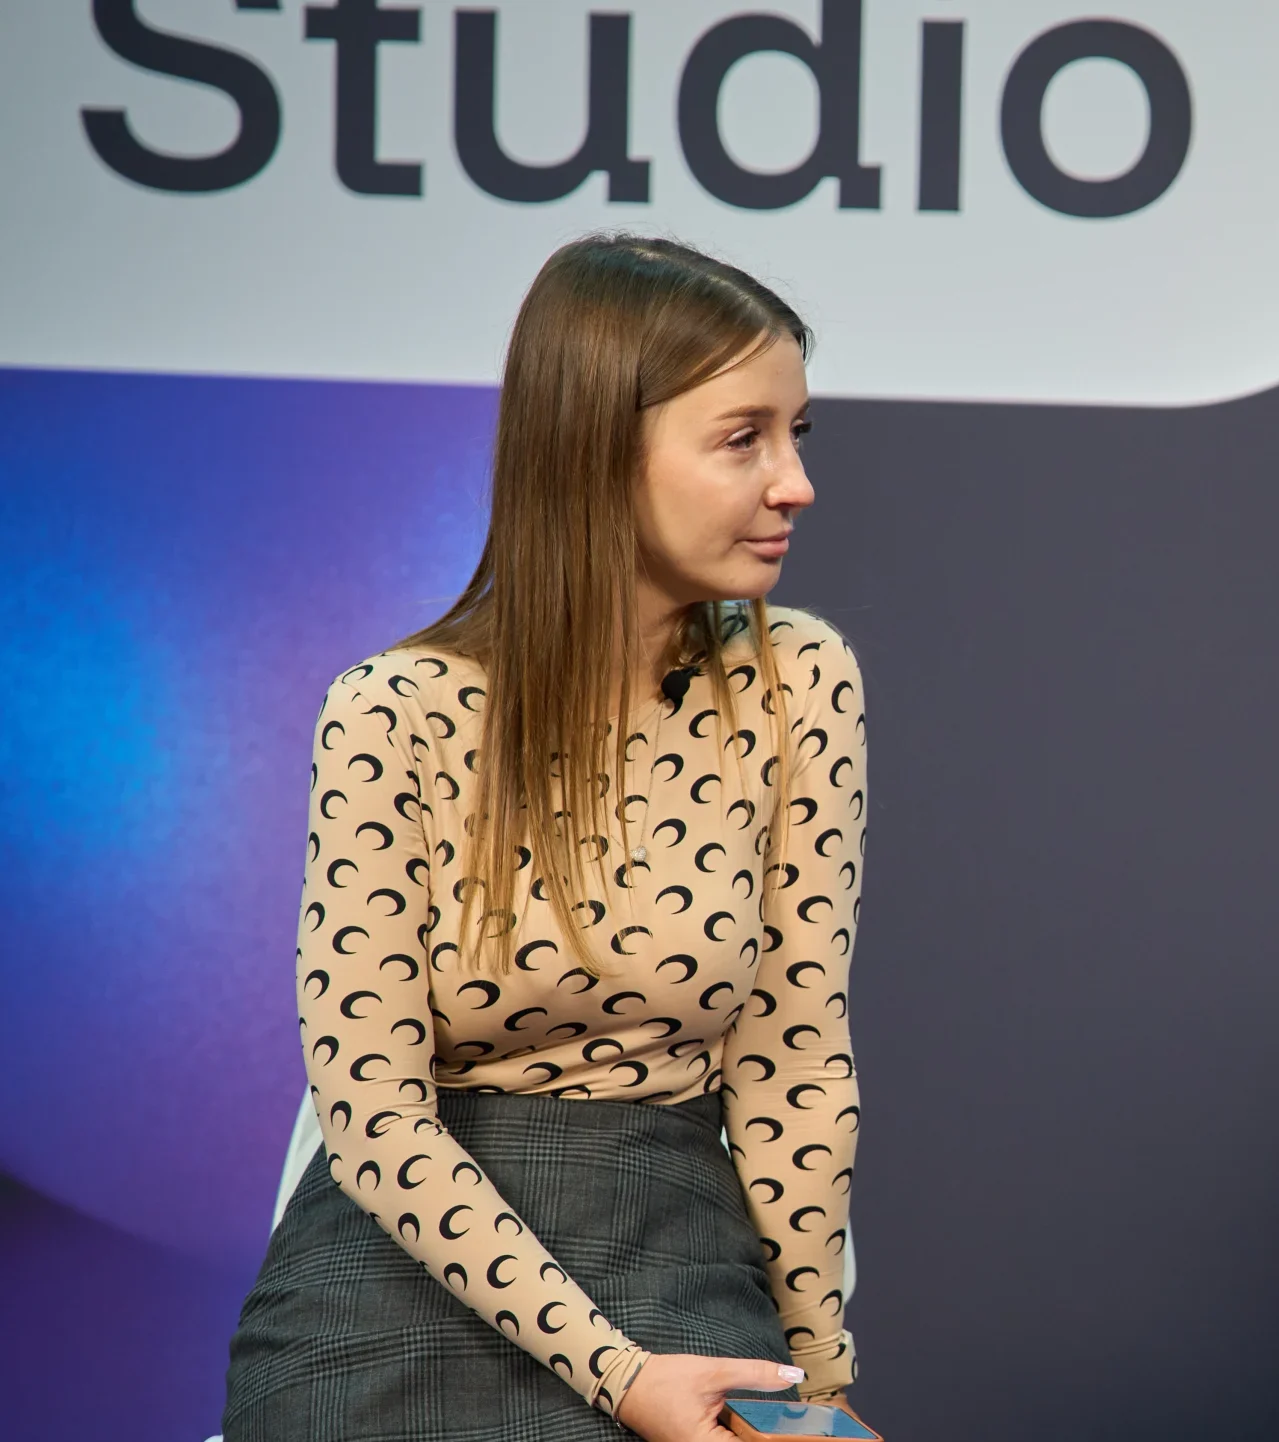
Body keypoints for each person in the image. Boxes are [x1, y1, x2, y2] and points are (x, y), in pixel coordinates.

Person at [224, 236, 868, 1442]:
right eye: (743, 439)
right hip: (390, 1287)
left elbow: (796, 1071)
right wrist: (614, 1372)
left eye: (796, 436)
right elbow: (371, 1111)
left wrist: (815, 1400)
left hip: (672, 1243)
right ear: (596, 450)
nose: (794, 483)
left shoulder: (795, 683)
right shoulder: (393, 707)